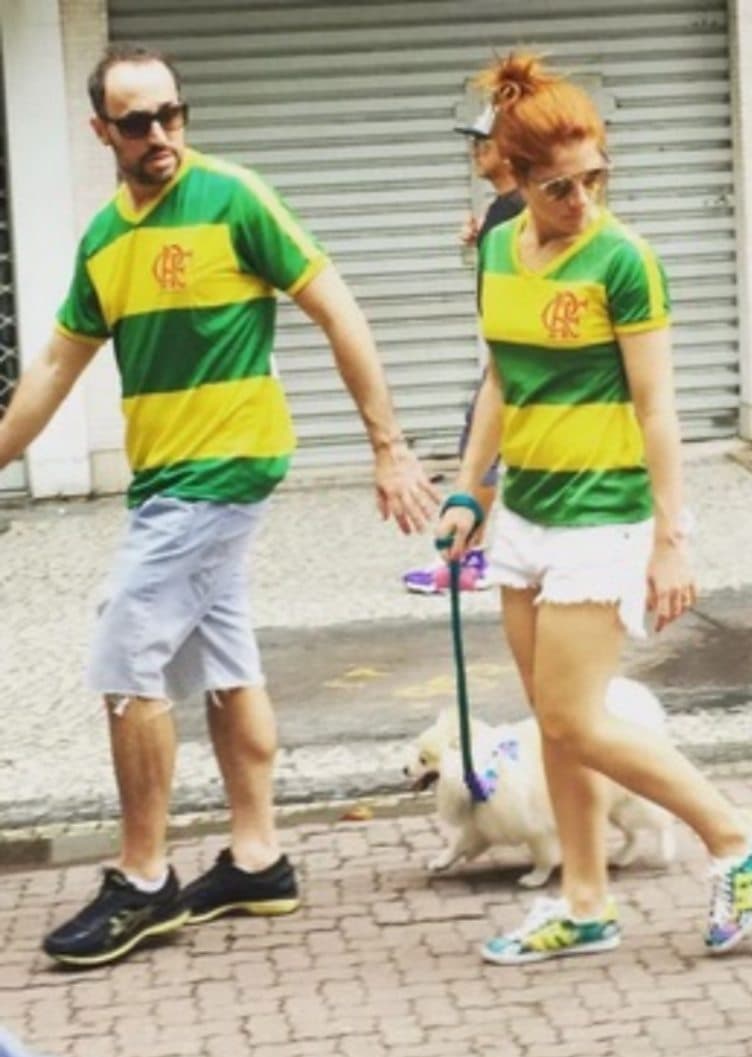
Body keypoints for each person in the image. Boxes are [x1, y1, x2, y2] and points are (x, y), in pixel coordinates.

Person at [0, 44, 438, 967]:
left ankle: (144, 880)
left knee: (126, 649)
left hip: (224, 467)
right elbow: (50, 369)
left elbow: (338, 308)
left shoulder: (235, 197)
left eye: (172, 115)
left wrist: (387, 446)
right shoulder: (105, 242)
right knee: (225, 656)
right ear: (101, 132)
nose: (159, 136)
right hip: (166, 479)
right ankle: (257, 858)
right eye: (136, 123)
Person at [436, 52, 752, 965]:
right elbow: (500, 387)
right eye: (559, 186)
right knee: (553, 721)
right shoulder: (499, 251)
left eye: (595, 179)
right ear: (513, 176)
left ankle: (736, 835)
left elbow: (658, 409)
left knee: (575, 717)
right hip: (525, 519)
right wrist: (470, 490)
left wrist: (673, 538)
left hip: (604, 514)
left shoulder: (626, 262)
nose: (581, 200)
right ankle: (584, 903)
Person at [400, 102, 525, 595]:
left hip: (515, 359)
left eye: (483, 142)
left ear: (511, 151)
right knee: (483, 446)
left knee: (482, 447)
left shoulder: (518, 211)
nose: (475, 151)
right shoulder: (506, 211)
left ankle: (465, 558)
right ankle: (472, 554)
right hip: (506, 356)